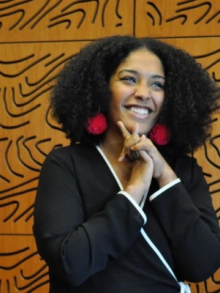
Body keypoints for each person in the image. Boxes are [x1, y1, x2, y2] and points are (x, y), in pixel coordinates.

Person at [33, 35, 220, 293]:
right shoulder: (65, 165)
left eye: (157, 85)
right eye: (129, 79)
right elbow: (70, 263)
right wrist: (136, 188)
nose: (143, 93)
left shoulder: (183, 171)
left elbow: (202, 265)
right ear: (101, 88)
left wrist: (164, 175)